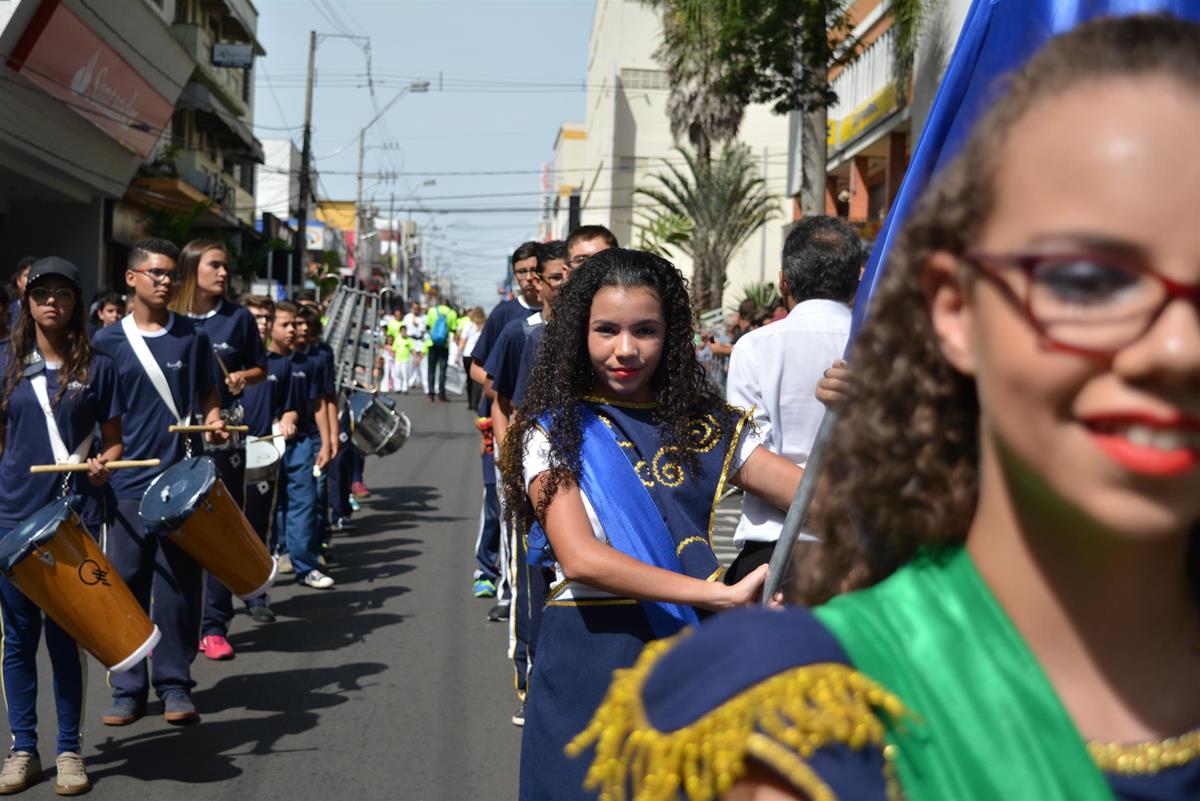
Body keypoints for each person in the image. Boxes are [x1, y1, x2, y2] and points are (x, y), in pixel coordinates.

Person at [571, 16, 1200, 801]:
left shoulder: (718, 407)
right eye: (1091, 280)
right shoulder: (796, 738)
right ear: (955, 309)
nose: (1178, 350)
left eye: (644, 330)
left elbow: (756, 460)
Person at [499, 248, 804, 800]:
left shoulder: (704, 426)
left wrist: (856, 414)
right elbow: (581, 557)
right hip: (590, 662)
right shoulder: (551, 431)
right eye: (606, 330)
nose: (625, 349)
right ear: (578, 334)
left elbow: (820, 499)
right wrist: (718, 596)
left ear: (672, 335)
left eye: (645, 330)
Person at [0, 257, 123, 795]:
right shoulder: (3, 362)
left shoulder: (98, 365)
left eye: (64, 293)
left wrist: (103, 466)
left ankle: (69, 751)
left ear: (76, 303)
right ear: (27, 300)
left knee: (65, 638)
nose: (52, 301)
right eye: (41, 292)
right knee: (18, 639)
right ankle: (23, 749)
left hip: (72, 521)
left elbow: (114, 440)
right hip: (10, 516)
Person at [92, 238, 227, 727]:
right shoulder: (104, 342)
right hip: (125, 488)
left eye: (172, 274)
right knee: (125, 587)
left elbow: (209, 393)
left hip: (178, 487)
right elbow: (93, 410)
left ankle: (175, 684)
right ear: (132, 278)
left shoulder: (192, 336)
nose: (166, 281)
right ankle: (128, 688)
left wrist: (212, 418)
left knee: (178, 588)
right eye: (157, 273)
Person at [722, 217, 863, 584]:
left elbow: (745, 459)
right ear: (858, 277)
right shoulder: (887, 346)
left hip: (778, 554)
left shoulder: (754, 347)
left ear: (784, 280)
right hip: (864, 549)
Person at [483, 240, 568, 725]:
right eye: (558, 275)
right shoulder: (524, 335)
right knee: (533, 583)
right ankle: (529, 681)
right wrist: (511, 465)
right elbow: (504, 404)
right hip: (534, 482)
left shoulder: (595, 341)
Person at [171, 240, 267, 662]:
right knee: (175, 532)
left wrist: (242, 376)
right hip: (173, 440)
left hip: (224, 437)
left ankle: (214, 624)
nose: (224, 273)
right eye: (215, 265)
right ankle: (175, 626)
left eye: (226, 266)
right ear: (192, 268)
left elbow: (262, 369)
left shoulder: (238, 319)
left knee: (221, 527)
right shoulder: (169, 320)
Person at [470, 242, 542, 620]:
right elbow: (478, 368)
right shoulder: (506, 317)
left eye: (535, 271)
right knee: (497, 501)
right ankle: (488, 569)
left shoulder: (566, 319)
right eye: (522, 272)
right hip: (502, 423)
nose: (529, 279)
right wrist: (503, 384)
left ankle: (523, 588)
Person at [238, 295, 297, 624]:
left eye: (265, 317)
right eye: (255, 316)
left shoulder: (280, 364)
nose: (260, 322)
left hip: (261, 453)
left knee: (258, 528)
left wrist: (288, 420)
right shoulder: (225, 359)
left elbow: (289, 406)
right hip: (223, 454)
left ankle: (256, 594)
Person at [274, 302, 334, 589]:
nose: (295, 330)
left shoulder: (307, 363)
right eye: (286, 324)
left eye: (295, 324)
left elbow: (319, 403)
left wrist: (327, 441)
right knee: (273, 506)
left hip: (302, 442)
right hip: (265, 446)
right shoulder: (259, 363)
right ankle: (275, 554)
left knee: (305, 501)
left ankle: (305, 563)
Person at [425, 286, 458, 402]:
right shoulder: (452, 313)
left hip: (432, 343)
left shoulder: (432, 311)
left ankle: (430, 393)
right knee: (442, 370)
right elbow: (454, 329)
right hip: (444, 345)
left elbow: (427, 326)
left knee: (431, 369)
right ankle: (441, 394)